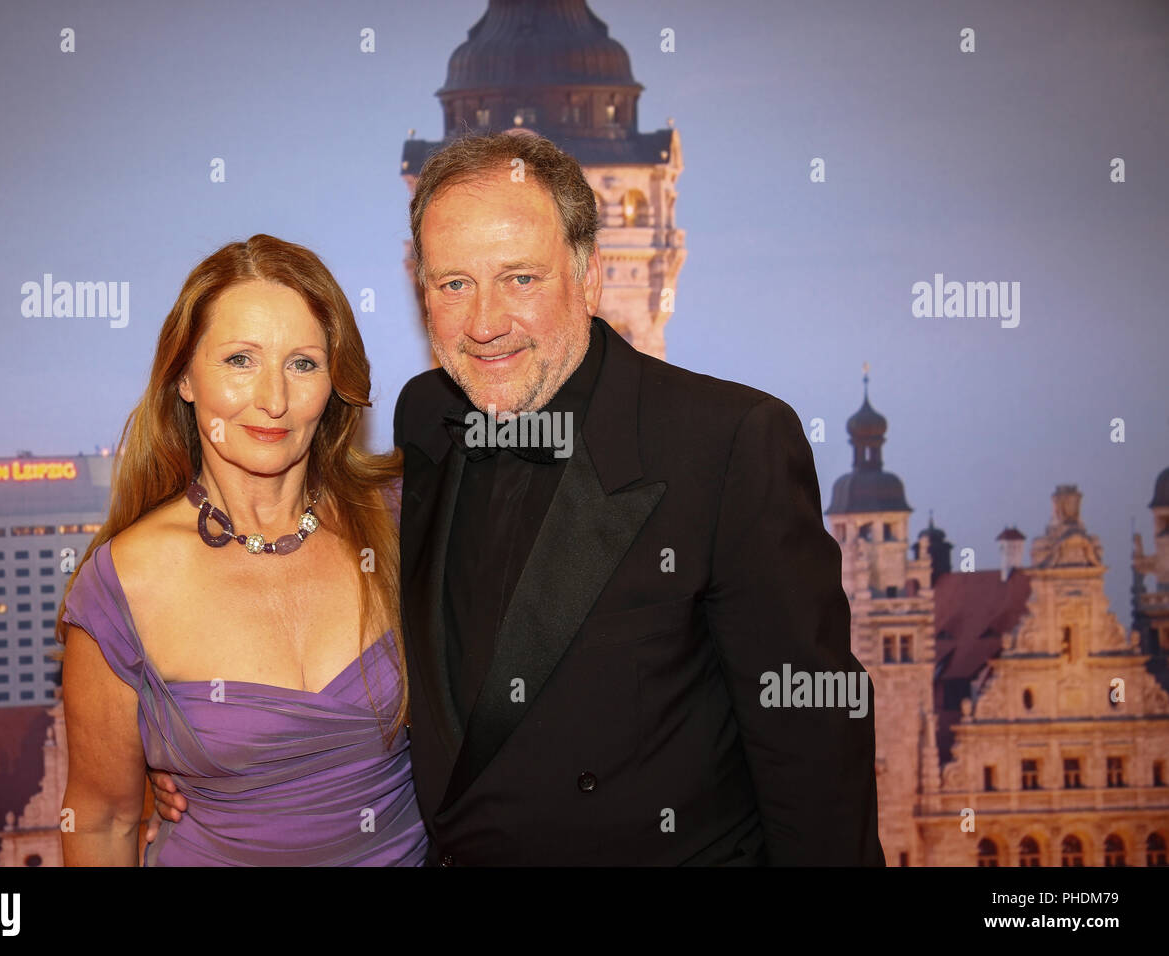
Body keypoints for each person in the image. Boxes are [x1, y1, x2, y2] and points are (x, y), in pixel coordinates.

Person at [151, 132, 885, 865]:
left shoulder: (729, 444)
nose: (485, 323)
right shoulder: (427, 417)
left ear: (590, 275)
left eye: (521, 280)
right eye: (454, 284)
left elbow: (814, 751)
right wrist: (206, 763)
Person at [59, 234, 426, 866]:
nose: (275, 400)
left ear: (334, 381)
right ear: (184, 378)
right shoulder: (126, 582)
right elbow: (101, 821)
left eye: (303, 364)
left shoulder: (403, 519)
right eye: (240, 360)